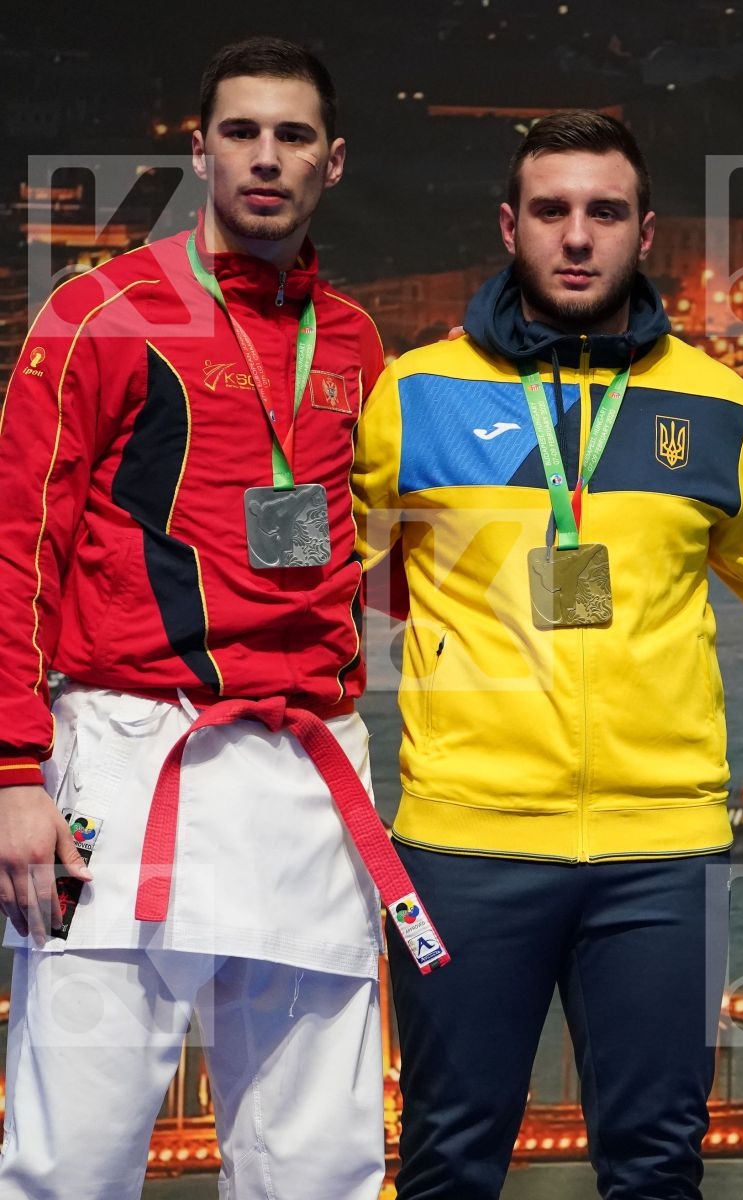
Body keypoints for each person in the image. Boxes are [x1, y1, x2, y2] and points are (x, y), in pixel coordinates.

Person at [352, 109, 743, 1200]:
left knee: (657, 1168)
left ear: (643, 231)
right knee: (445, 1161)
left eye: (604, 212)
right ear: (508, 225)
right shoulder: (415, 393)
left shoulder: (716, 404)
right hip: (464, 843)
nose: (576, 236)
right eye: (551, 211)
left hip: (664, 853)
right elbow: (328, 582)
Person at [0, 37, 405, 1199]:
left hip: (309, 773)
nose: (266, 158)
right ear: (199, 151)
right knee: (73, 1160)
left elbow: (381, 556)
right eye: (241, 133)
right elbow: (19, 542)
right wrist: (12, 769)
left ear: (333, 161)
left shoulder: (355, 341)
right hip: (122, 770)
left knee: (318, 1167)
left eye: (292, 136)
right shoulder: (98, 313)